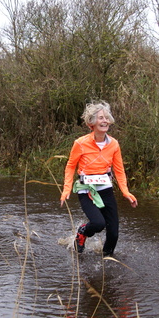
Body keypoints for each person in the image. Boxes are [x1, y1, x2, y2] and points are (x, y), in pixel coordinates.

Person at [60, 101, 137, 256]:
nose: (105, 121)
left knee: (114, 234)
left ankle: (107, 260)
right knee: (98, 223)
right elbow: (70, 166)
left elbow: (119, 170)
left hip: (106, 189)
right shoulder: (80, 143)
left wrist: (126, 192)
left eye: (107, 118)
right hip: (86, 190)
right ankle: (82, 232)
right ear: (91, 123)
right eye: (101, 118)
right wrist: (67, 189)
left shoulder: (114, 144)